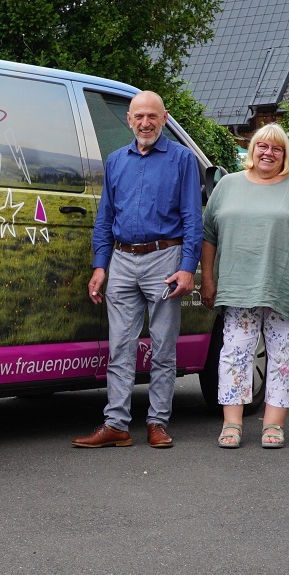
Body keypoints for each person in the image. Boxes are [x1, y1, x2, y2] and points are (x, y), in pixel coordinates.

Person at [73, 90, 202, 449]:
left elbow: (193, 218)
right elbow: (105, 218)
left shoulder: (182, 159)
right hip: (122, 260)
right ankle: (116, 424)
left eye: (152, 116)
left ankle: (157, 423)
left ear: (164, 118)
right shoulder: (115, 160)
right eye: (139, 116)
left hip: (165, 259)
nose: (145, 123)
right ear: (129, 120)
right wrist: (101, 266)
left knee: (162, 348)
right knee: (120, 348)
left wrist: (188, 268)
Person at [200, 124, 289, 449]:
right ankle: (232, 424)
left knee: (283, 358)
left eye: (276, 149)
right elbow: (209, 236)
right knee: (234, 356)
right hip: (237, 290)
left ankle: (273, 425)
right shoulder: (228, 185)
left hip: (284, 289)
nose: (268, 153)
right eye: (262, 146)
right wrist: (207, 278)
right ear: (252, 149)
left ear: (285, 155)